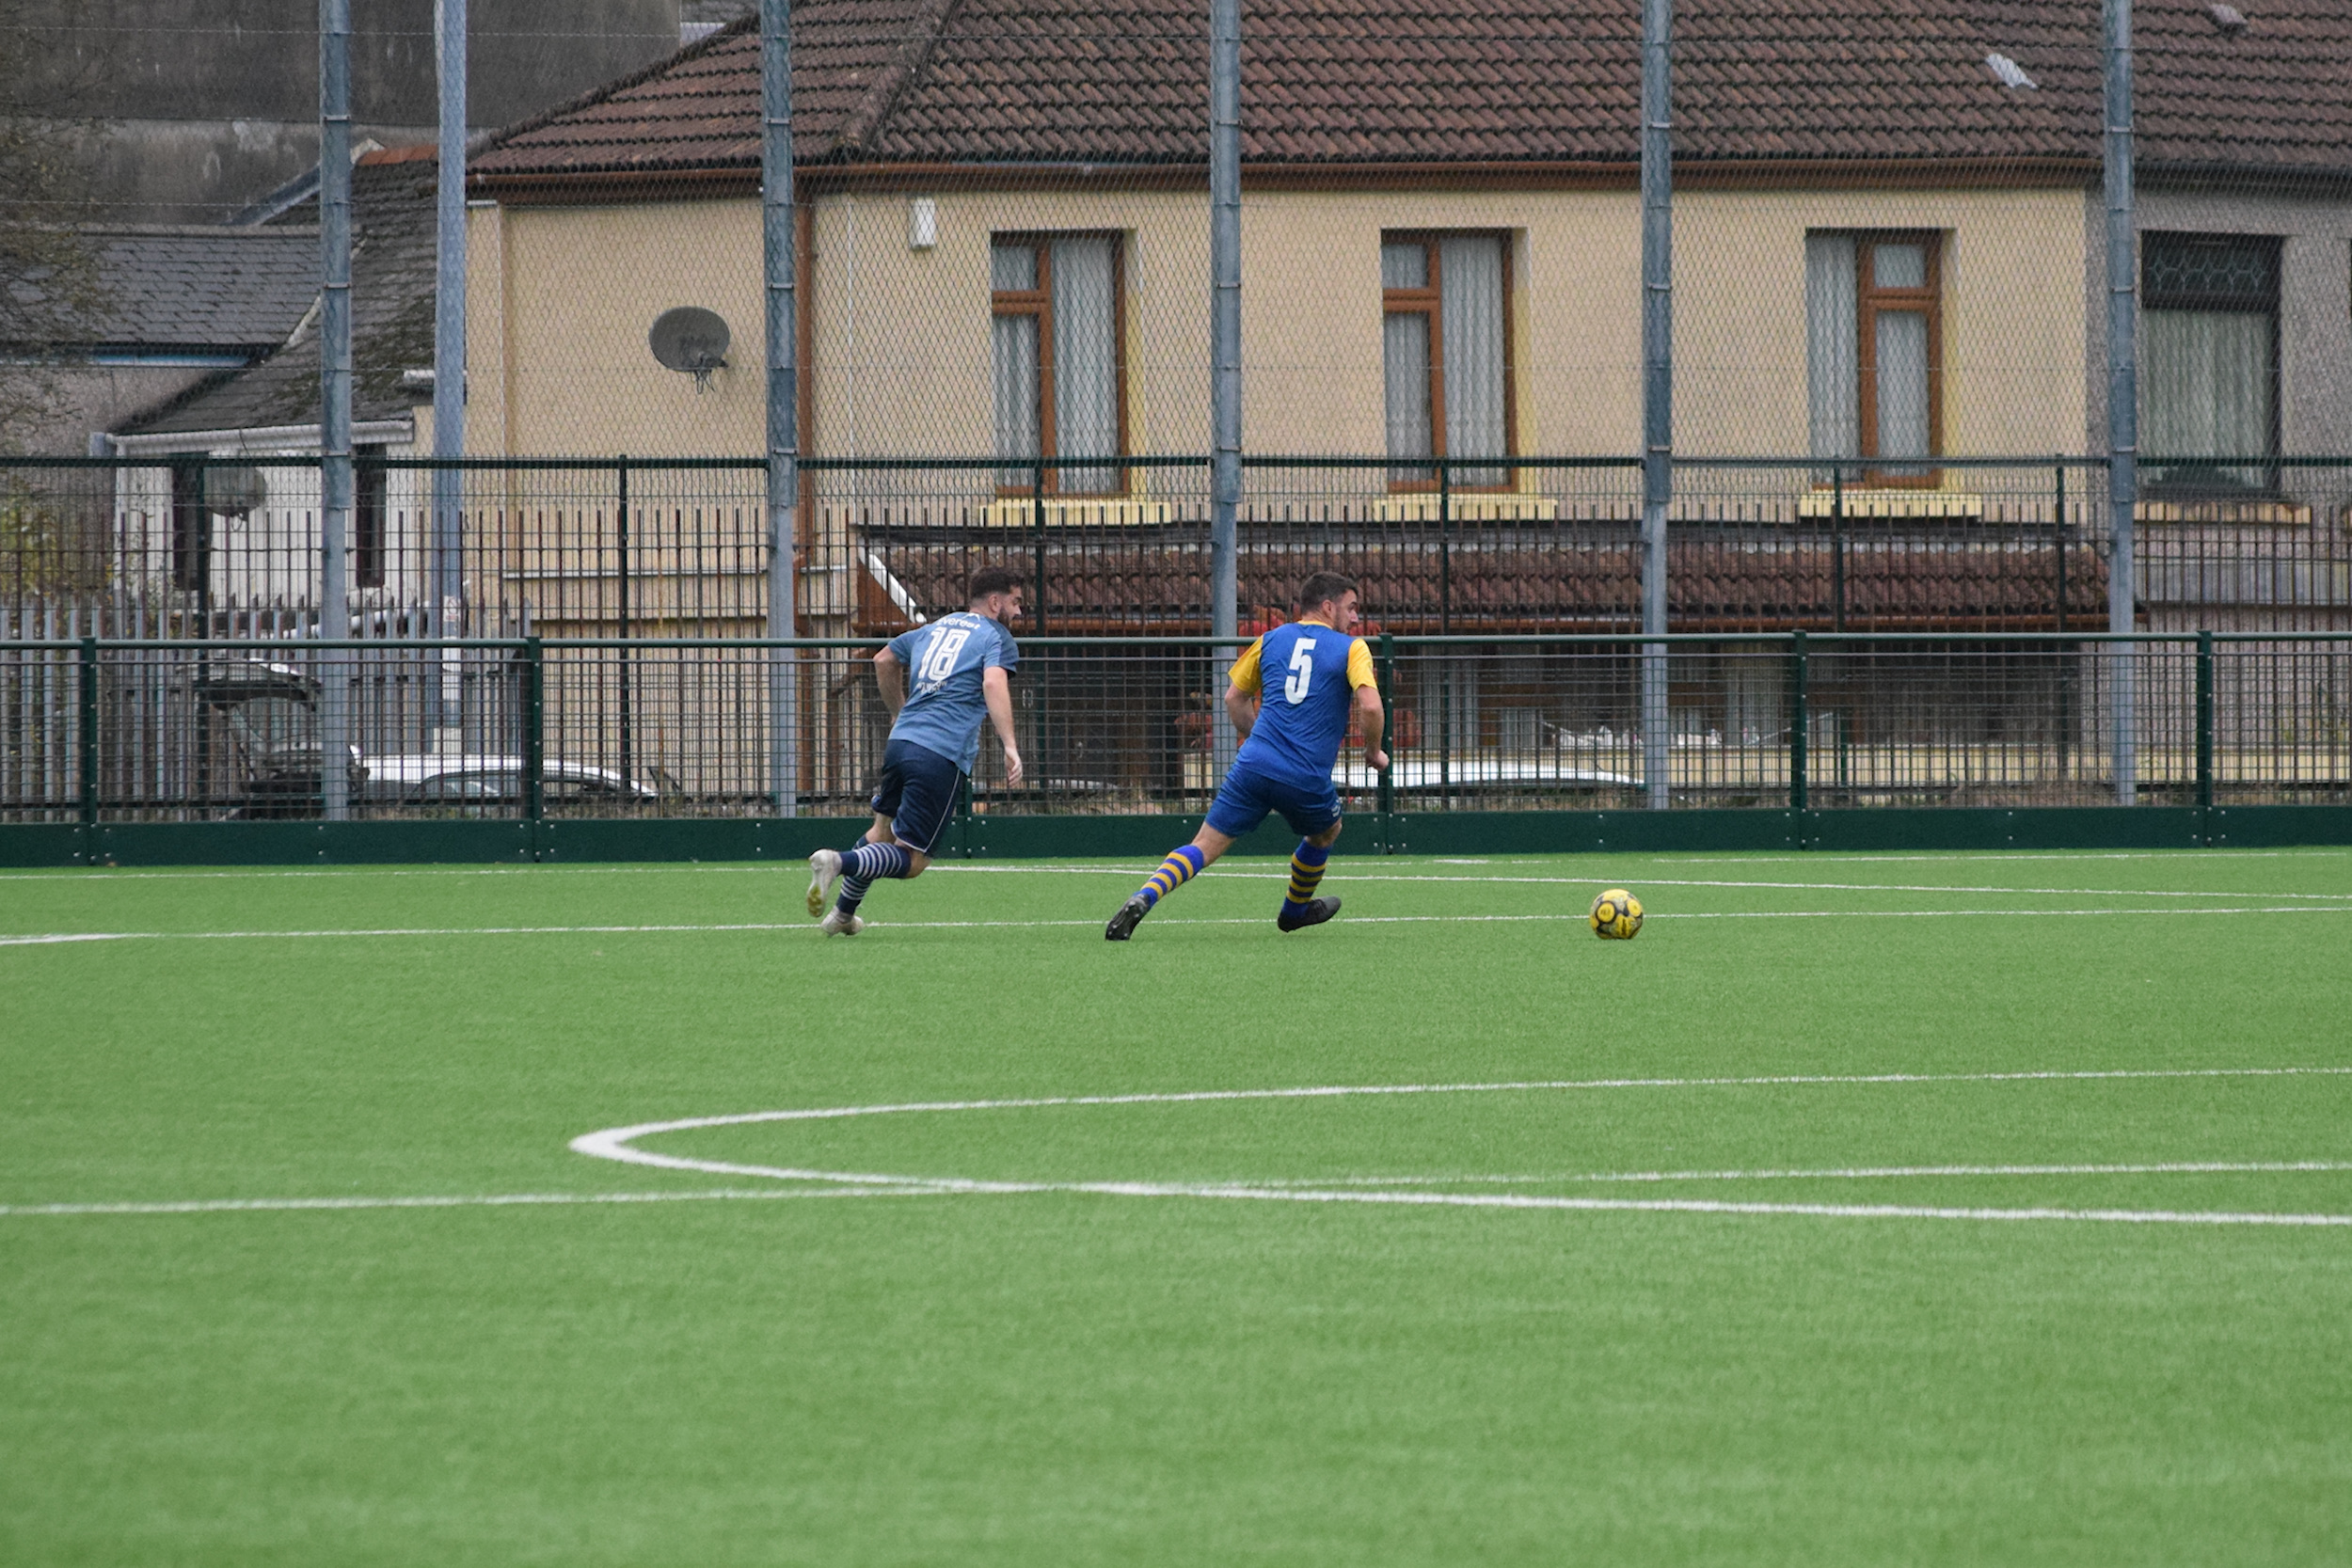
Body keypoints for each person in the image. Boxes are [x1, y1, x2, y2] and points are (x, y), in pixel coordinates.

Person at [1106, 571, 1386, 941]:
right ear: (1328, 606)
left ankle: (1144, 896)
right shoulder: (1353, 648)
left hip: (1253, 764)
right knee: (1326, 832)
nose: (1354, 618)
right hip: (1304, 775)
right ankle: (1294, 911)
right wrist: (1373, 751)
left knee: (1203, 845)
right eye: (1351, 609)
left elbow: (1233, 698)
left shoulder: (1269, 640)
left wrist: (1259, 740)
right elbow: (1370, 707)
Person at [806, 567, 1025, 934]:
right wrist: (1010, 746)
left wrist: (898, 712)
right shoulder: (996, 637)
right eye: (1016, 603)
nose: (1018, 612)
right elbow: (992, 681)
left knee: (881, 833)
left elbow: (883, 659)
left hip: (901, 744)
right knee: (913, 859)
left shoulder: (934, 628)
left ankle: (843, 915)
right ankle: (838, 861)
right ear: (994, 602)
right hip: (939, 754)